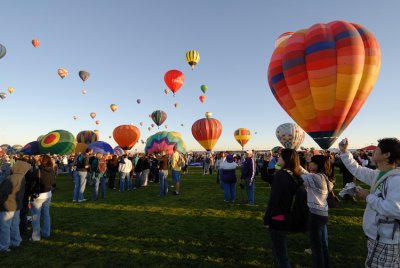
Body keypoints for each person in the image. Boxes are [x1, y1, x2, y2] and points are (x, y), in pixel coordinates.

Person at [339, 138, 400, 267]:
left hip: (386, 239)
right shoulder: (379, 174)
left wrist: (368, 197)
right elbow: (356, 169)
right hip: (376, 236)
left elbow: (395, 209)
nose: (373, 151)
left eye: (377, 149)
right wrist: (344, 152)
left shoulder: (396, 180)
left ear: (386, 155)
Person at [263, 148, 302, 268]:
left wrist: (267, 218)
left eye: (280, 157)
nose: (278, 158)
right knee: (280, 249)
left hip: (277, 216)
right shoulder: (293, 174)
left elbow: (274, 200)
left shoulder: (281, 175)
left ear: (286, 159)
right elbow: (266, 177)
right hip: (286, 215)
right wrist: (265, 162)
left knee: (280, 253)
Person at [300, 155, 333, 268]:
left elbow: (301, 174)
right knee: (323, 244)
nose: (309, 163)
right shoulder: (324, 177)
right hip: (323, 213)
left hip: (315, 216)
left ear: (318, 164)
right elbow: (305, 173)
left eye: (312, 162)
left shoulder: (317, 178)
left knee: (316, 247)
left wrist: (292, 162)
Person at [0, 160, 31, 252]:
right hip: (16, 205)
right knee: (14, 224)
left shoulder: (10, 178)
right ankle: (16, 241)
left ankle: (4, 246)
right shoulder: (22, 178)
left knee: (5, 226)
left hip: (7, 205)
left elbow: (2, 194)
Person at [30, 155, 55, 241]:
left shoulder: (39, 171)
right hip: (48, 194)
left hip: (39, 195)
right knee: (46, 214)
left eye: (40, 160)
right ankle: (46, 232)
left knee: (36, 216)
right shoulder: (52, 170)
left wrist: (30, 192)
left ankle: (36, 236)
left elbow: (32, 184)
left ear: (42, 161)